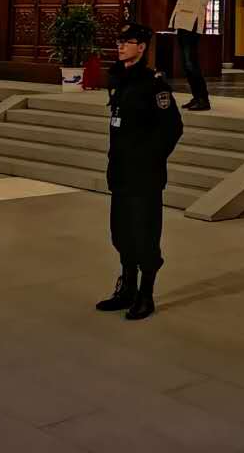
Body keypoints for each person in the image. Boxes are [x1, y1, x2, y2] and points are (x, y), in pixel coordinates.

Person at [95, 22, 182, 322]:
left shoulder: (153, 85)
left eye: (127, 42)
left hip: (144, 175)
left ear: (142, 47)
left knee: (145, 235)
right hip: (120, 171)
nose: (120, 46)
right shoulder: (120, 79)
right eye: (119, 41)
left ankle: (146, 294)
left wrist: (150, 159)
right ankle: (127, 288)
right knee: (121, 233)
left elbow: (172, 128)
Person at [166, 0, 215, 111]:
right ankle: (196, 96)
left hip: (192, 24)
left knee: (191, 63)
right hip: (182, 23)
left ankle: (203, 99)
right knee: (187, 64)